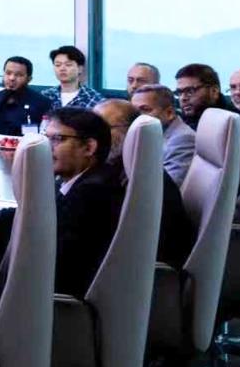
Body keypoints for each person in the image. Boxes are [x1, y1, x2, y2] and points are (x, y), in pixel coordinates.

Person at [95, 99, 194, 269]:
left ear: (130, 132)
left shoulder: (136, 181)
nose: (93, 137)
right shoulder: (125, 168)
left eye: (103, 129)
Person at [46, 108, 122, 298]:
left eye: (57, 139)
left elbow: (58, 260)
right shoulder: (75, 182)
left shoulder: (92, 192)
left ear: (89, 147)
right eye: (46, 138)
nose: (47, 147)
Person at [0, 56, 53, 137]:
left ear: (29, 79)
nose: (12, 78)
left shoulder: (42, 103)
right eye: (8, 73)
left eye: (19, 75)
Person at [130, 84, 197, 186]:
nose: (136, 117)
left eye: (145, 110)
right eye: (134, 111)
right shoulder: (151, 134)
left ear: (169, 113)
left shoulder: (183, 139)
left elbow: (164, 188)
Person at [44, 45, 105, 110]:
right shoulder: (46, 96)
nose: (62, 68)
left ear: (80, 69)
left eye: (68, 65)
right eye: (58, 65)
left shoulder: (94, 99)